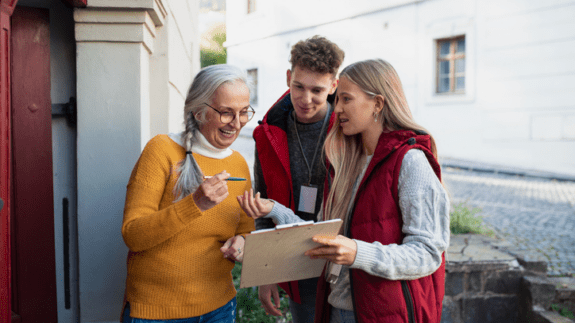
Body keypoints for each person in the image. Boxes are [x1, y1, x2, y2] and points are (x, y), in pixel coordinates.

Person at [239, 59, 450, 323]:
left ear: (378, 104)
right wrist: (274, 210)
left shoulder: (411, 162)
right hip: (335, 308)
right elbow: (322, 236)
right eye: (337, 99)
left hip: (383, 314)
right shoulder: (344, 162)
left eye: (346, 99)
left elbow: (428, 253)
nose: (336, 108)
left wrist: (357, 253)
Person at [120, 64, 256, 323]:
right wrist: (194, 204)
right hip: (157, 312)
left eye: (243, 112)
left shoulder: (238, 163)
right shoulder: (161, 150)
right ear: (198, 111)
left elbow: (245, 229)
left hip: (219, 306)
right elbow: (133, 234)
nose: (237, 124)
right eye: (226, 113)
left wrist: (241, 243)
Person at [252, 35, 344, 321]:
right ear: (289, 77)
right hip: (296, 263)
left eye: (317, 90)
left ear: (333, 85)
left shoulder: (348, 127)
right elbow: (263, 203)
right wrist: (267, 273)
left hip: (344, 263)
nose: (306, 99)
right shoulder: (268, 132)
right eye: (298, 87)